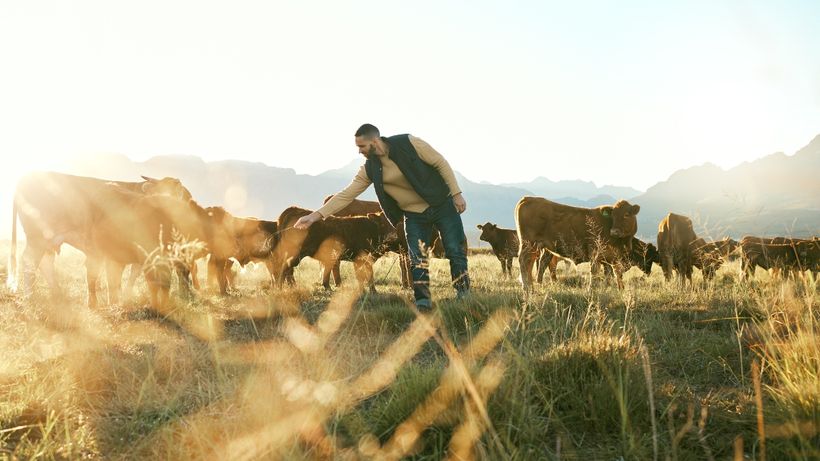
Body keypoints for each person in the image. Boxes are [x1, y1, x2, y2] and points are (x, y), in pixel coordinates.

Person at [294, 123, 470, 311]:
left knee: (455, 250)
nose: (359, 151)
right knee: (417, 259)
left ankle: (463, 294)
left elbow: (439, 162)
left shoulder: (409, 142)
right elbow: (347, 194)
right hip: (413, 215)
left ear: (375, 141)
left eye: (362, 146)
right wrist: (315, 216)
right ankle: (423, 303)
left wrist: (456, 193)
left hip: (441, 205)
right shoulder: (369, 169)